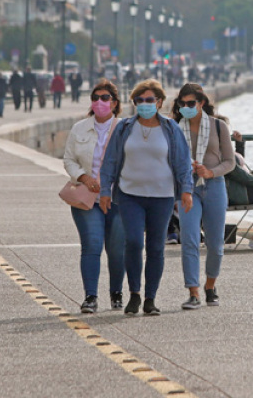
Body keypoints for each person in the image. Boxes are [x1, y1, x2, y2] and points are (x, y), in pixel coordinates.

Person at [98, 79, 193, 316]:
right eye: (139, 100)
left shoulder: (171, 128)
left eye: (149, 100)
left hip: (162, 196)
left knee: (155, 247)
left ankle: (150, 298)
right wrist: (105, 191)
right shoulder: (124, 127)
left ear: (159, 102)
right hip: (130, 194)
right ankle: (134, 294)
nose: (144, 104)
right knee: (133, 242)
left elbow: (183, 162)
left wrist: (186, 190)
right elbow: (110, 160)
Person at [62, 79, 126, 314]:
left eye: (105, 98)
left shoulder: (125, 128)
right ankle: (90, 296)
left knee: (117, 250)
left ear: (115, 102)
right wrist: (83, 177)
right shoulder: (79, 128)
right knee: (91, 245)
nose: (100, 102)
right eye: (95, 98)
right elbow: (69, 159)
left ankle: (116, 292)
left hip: (118, 199)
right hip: (88, 198)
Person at [171, 83, 236, 309]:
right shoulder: (175, 128)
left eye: (191, 103)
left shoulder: (218, 126)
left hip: (214, 186)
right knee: (189, 238)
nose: (186, 107)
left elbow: (230, 161)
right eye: (182, 103)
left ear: (201, 103)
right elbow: (169, 159)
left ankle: (210, 286)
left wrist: (211, 172)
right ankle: (193, 292)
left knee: (215, 243)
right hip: (187, 188)